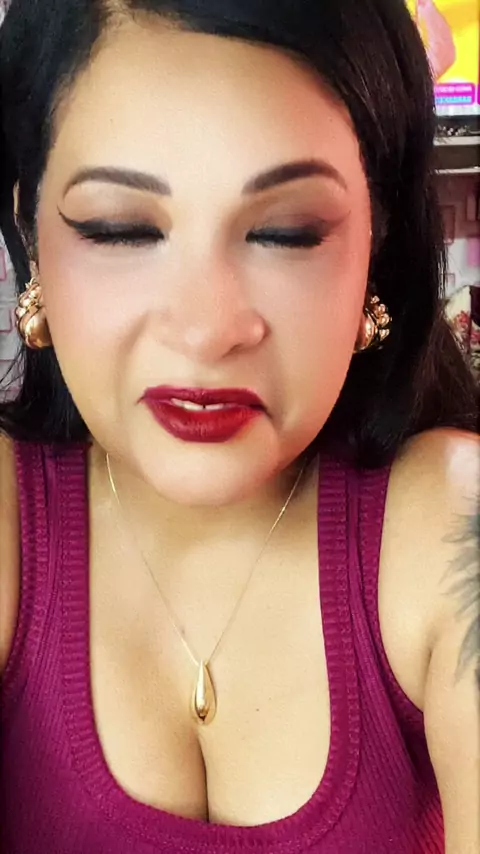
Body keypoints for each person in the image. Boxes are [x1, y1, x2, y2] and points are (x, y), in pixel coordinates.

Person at [0, 1, 479, 852]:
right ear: (31, 232)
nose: (207, 328)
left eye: (285, 233)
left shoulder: (453, 526)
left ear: (376, 242)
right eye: (121, 229)